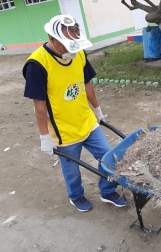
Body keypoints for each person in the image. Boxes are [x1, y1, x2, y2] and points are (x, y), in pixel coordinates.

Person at [22, 14, 126, 212]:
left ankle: (108, 190)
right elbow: (40, 105)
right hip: (64, 130)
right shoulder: (37, 64)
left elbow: (86, 84)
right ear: (51, 39)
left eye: (74, 43)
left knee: (108, 157)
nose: (72, 48)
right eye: (66, 44)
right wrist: (44, 136)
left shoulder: (78, 53)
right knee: (72, 172)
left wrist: (97, 110)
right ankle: (76, 196)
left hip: (86, 121)